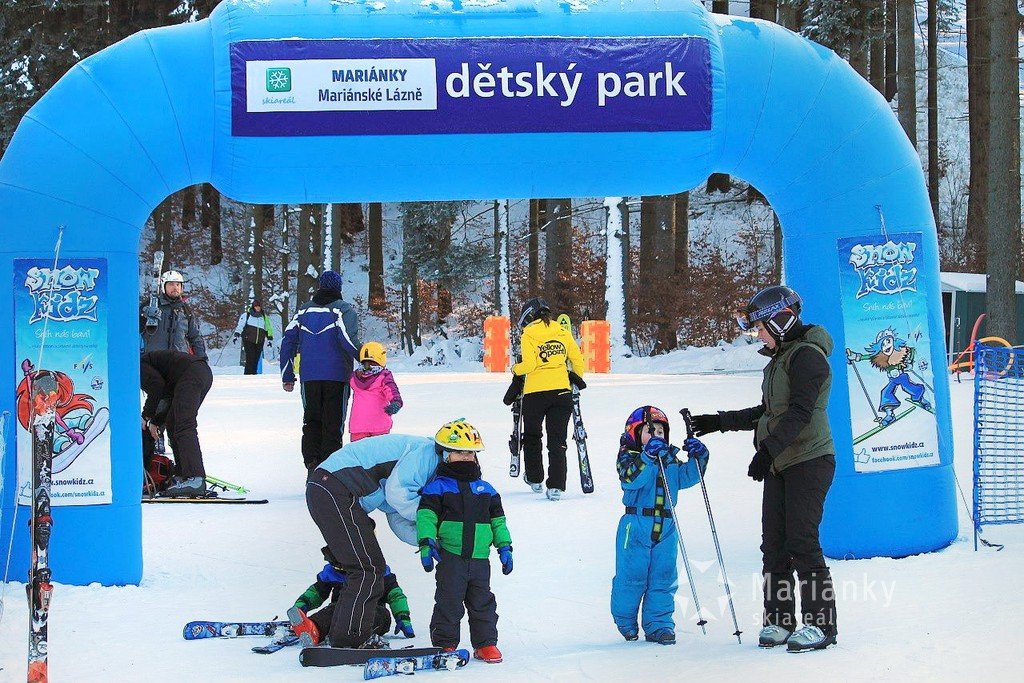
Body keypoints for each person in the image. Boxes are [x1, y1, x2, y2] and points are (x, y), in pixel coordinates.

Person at [690, 285, 838, 652]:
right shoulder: (780, 359)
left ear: (781, 320)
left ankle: (821, 625)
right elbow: (767, 412)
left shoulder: (808, 357)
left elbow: (800, 414)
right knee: (774, 546)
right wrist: (716, 422)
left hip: (810, 460)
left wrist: (767, 450)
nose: (757, 334)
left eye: (760, 327)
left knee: (802, 542)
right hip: (781, 462)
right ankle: (780, 620)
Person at [303, 425, 458, 649]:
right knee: (367, 568)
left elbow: (397, 516)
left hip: (330, 490)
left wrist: (427, 537)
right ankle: (350, 638)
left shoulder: (419, 474)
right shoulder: (426, 455)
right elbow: (398, 495)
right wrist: (431, 520)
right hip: (334, 488)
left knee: (364, 566)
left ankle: (327, 625)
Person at [611, 406, 709, 645]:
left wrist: (700, 458)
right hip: (636, 526)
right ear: (635, 433)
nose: (656, 436)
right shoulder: (629, 457)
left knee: (663, 578)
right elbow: (632, 479)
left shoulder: (669, 458)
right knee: (631, 578)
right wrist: (647, 457)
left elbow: (685, 478)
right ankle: (625, 620)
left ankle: (659, 624)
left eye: (660, 431)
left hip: (666, 526)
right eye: (649, 431)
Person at [417, 420, 511, 664]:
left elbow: (498, 522)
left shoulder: (486, 490)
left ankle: (486, 644)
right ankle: (445, 644)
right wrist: (426, 543)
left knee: (483, 604)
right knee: (449, 602)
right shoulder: (437, 487)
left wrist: (505, 547)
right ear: (445, 455)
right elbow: (426, 516)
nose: (466, 457)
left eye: (470, 452)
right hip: (451, 558)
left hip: (480, 560)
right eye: (460, 451)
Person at [279, 270, 361, 470]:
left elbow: (287, 342)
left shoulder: (303, 312)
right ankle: (329, 473)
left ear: (320, 287)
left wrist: (287, 375)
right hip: (337, 376)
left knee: (312, 422)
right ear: (339, 288)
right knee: (333, 425)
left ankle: (312, 467)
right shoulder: (343, 310)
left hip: (309, 378)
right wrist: (367, 360)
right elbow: (346, 339)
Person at [508, 297, 585, 500]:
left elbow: (530, 365)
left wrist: (515, 368)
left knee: (533, 437)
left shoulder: (529, 334)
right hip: (561, 393)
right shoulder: (563, 332)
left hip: (535, 394)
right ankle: (556, 486)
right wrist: (575, 380)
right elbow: (577, 360)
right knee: (557, 440)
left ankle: (535, 479)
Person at [287, 545, 414, 646]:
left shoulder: (378, 572)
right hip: (340, 611)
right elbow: (316, 592)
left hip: (373, 610)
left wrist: (402, 617)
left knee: (381, 617)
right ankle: (312, 628)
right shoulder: (332, 572)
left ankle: (363, 636)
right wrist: (301, 606)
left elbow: (395, 595)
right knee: (331, 613)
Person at [140, 350, 214, 497]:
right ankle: (182, 474)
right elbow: (167, 396)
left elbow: (157, 386)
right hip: (198, 373)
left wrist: (146, 415)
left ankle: (195, 479)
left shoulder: (137, 366)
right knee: (173, 423)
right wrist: (156, 421)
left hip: (191, 373)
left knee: (183, 425)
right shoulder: (145, 365)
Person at [140, 270, 206, 357]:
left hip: (179, 361)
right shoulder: (151, 305)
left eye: (178, 284)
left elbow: (196, 337)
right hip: (153, 361)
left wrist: (202, 360)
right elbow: (133, 328)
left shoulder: (185, 310)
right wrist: (144, 315)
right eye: (171, 284)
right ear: (164, 286)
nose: (175, 287)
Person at [349, 342, 403, 442]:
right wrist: (396, 402)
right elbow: (391, 390)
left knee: (359, 455)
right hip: (379, 426)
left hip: (358, 426)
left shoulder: (355, 377)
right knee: (379, 455)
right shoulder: (383, 376)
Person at [233, 298, 275, 375]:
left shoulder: (264, 317)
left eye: (259, 306)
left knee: (256, 359)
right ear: (253, 307)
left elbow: (268, 328)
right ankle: (248, 374)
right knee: (250, 358)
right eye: (256, 306)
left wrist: (269, 338)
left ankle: (254, 374)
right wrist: (237, 335)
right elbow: (240, 325)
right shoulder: (247, 315)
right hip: (248, 340)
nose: (258, 308)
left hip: (259, 341)